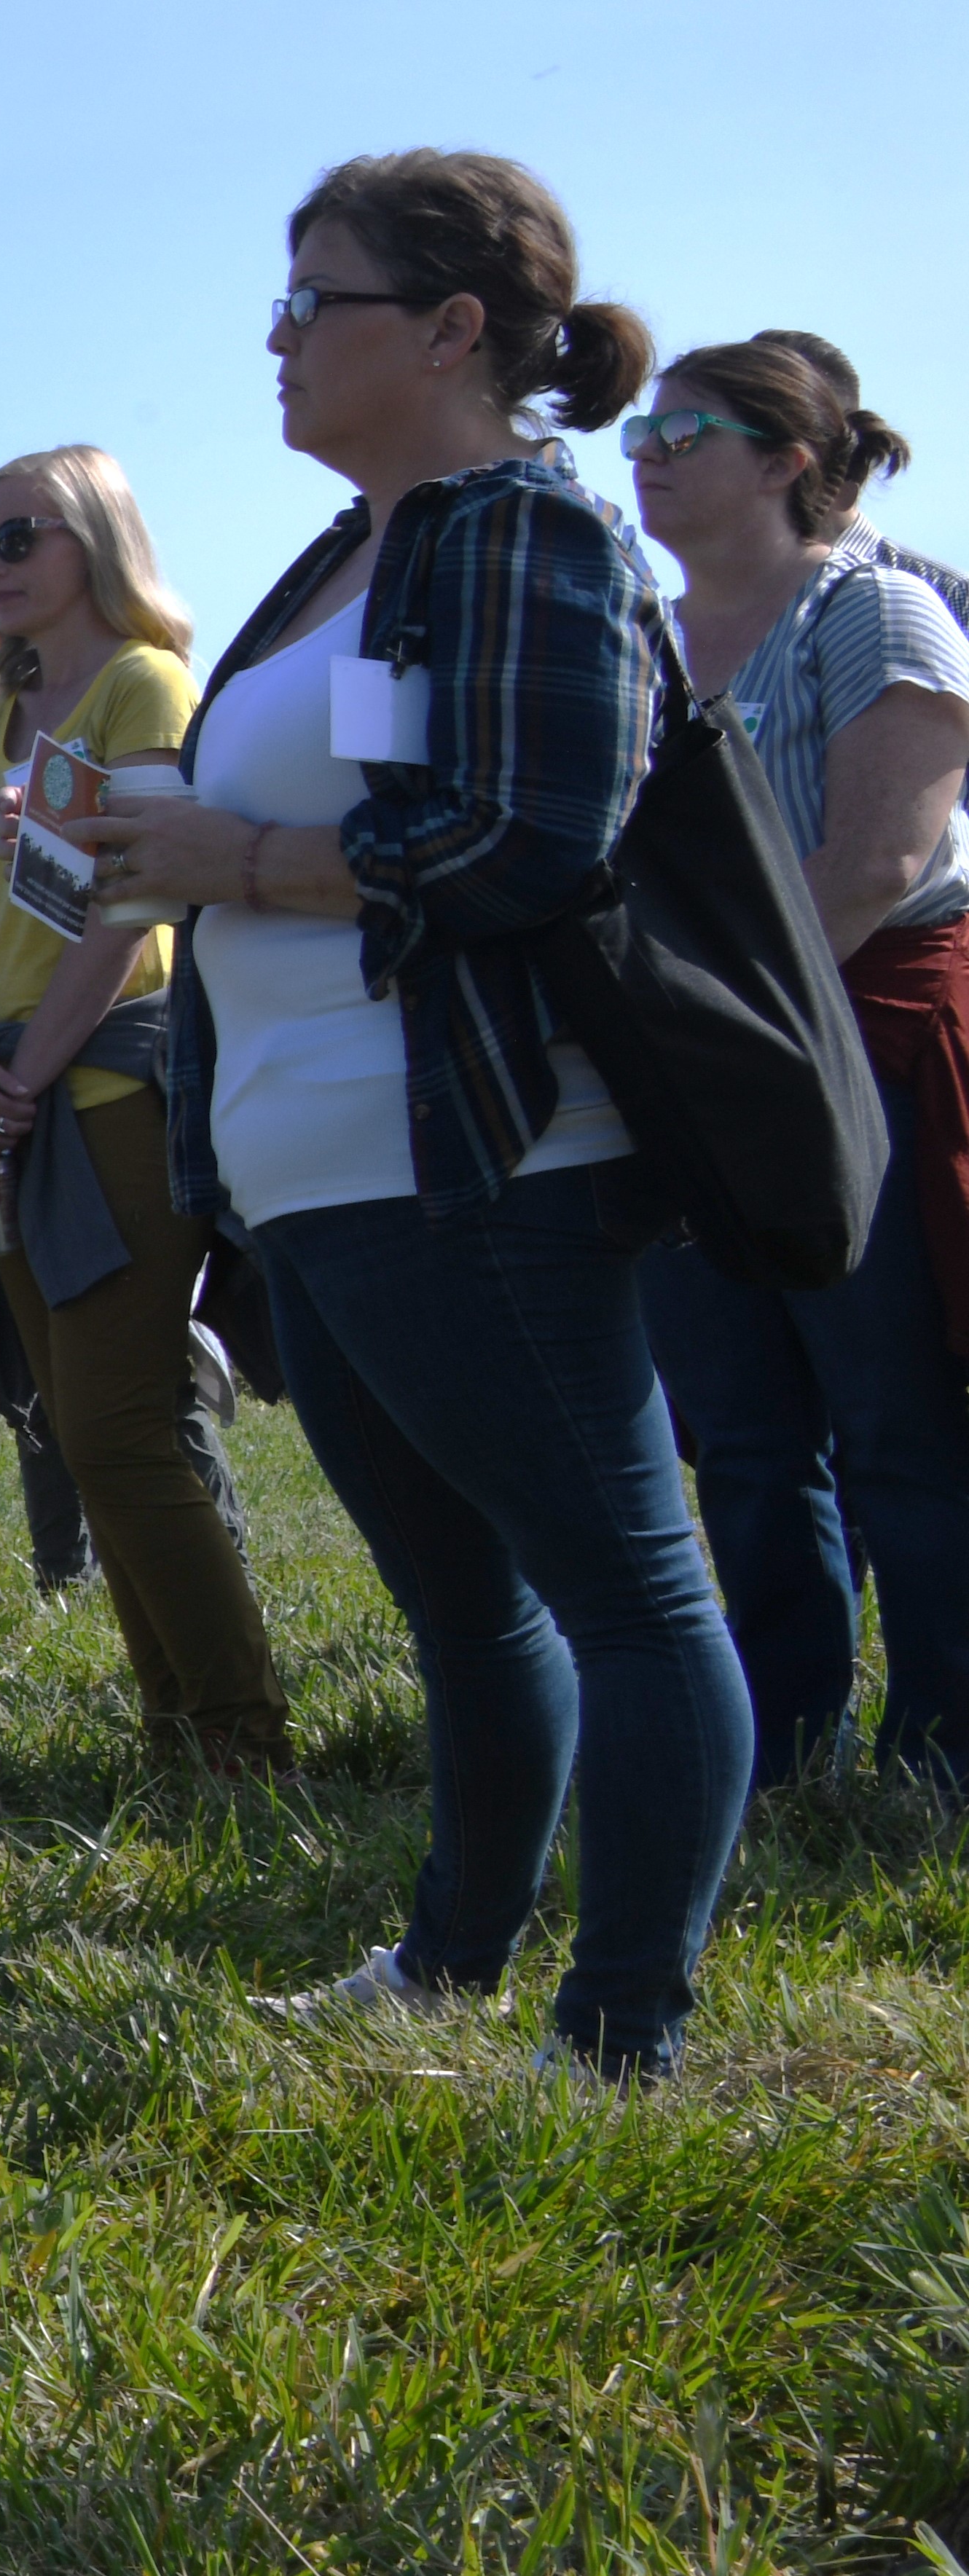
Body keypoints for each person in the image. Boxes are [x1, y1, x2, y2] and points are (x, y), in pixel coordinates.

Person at [71, 150, 741, 2082]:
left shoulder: (531, 534)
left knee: (625, 1589)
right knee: (462, 1600)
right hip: (312, 1166)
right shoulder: (336, 559)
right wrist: (167, 857)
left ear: (452, 328)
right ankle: (450, 1959)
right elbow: (317, 831)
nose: (275, 341)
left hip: (477, 1156)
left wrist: (241, 854)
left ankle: (625, 2024)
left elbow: (535, 839)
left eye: (315, 300)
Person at [622, 331, 969, 1797]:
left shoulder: (876, 613)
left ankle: (946, 1743)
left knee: (891, 1411)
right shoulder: (631, 638)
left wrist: (728, 1025)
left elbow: (880, 858)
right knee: (749, 1434)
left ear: (785, 463)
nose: (644, 452)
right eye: (638, 430)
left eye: (683, 431)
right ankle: (785, 1740)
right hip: (695, 1066)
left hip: (853, 1045)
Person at [0, 446, 294, 1771]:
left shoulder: (145, 685)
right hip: (7, 1102)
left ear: (94, 538)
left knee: (123, 1422)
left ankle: (241, 1733)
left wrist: (18, 1084)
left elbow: (136, 905)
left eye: (19, 536)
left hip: (114, 1090)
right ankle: (175, 1728)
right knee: (78, 1432)